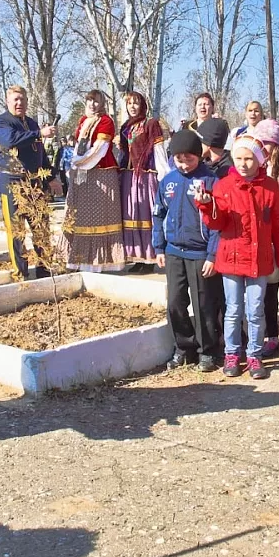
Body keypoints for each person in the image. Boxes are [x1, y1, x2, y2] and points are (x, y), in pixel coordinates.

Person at [195, 135, 279, 381]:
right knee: (233, 309)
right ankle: (232, 353)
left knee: (255, 309)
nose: (242, 163)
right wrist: (207, 206)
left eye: (248, 159)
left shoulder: (270, 187)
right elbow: (218, 223)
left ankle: (254, 354)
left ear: (259, 160)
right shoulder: (224, 186)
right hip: (231, 258)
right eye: (238, 158)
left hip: (258, 260)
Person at [153, 129, 222, 372]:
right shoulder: (168, 181)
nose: (183, 164)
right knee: (174, 303)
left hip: (200, 254)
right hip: (173, 252)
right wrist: (159, 246)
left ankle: (208, 351)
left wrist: (212, 254)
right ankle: (184, 348)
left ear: (198, 157)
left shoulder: (211, 181)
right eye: (178, 159)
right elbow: (158, 215)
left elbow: (217, 221)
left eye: (189, 159)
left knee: (203, 305)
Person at [0, 85, 57, 279]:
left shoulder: (32, 123)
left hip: (35, 184)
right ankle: (20, 272)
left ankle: (45, 269)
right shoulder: (1, 122)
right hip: (12, 184)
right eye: (16, 100)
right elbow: (11, 140)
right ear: (8, 101)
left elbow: (40, 154)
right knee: (17, 232)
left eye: (23, 100)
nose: (19, 103)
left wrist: (51, 176)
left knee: (41, 227)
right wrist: (39, 134)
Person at [66, 89, 125, 272]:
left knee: (99, 216)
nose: (92, 104)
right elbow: (79, 146)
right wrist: (77, 164)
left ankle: (101, 262)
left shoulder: (106, 121)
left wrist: (78, 163)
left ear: (102, 104)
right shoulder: (83, 121)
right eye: (90, 100)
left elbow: (99, 150)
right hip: (83, 173)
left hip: (100, 173)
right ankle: (80, 260)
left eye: (96, 101)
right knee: (82, 216)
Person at [253, 119, 279, 357]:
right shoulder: (256, 166)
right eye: (262, 143)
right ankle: (270, 336)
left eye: (268, 144)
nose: (264, 148)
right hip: (264, 238)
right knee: (268, 290)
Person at [119, 91, 169, 268]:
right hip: (130, 176)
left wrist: (164, 175)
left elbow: (159, 151)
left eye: (136, 103)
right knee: (132, 214)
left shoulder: (151, 124)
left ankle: (150, 256)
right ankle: (137, 257)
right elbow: (124, 153)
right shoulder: (125, 127)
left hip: (147, 175)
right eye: (129, 103)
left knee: (147, 214)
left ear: (142, 105)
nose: (132, 106)